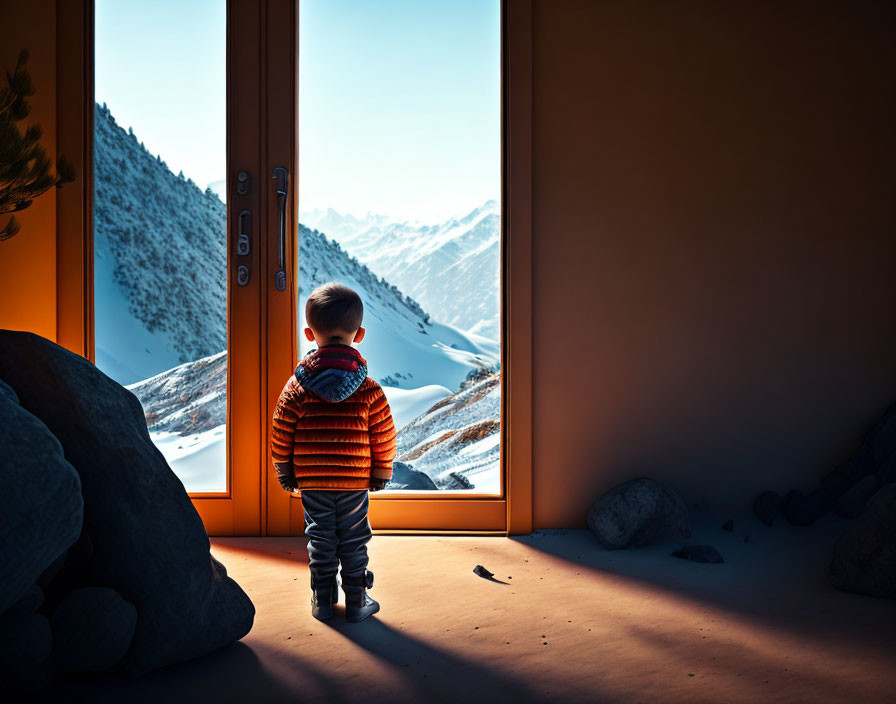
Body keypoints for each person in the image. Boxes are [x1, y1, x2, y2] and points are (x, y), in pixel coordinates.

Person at [271, 282, 396, 622]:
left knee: (320, 537)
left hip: (313, 479)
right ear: (360, 334)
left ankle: (321, 600)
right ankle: (357, 601)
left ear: (310, 334)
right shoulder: (369, 389)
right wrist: (381, 472)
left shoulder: (296, 387)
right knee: (354, 538)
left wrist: (285, 470)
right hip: (354, 479)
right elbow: (383, 433)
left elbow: (281, 430)